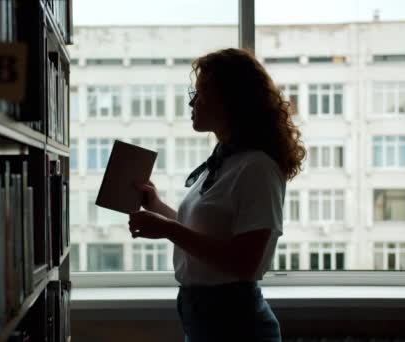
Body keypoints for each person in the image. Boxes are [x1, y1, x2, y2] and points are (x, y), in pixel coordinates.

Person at [128, 48, 306, 342]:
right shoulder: (226, 161)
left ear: (229, 101)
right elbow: (209, 234)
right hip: (206, 320)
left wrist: (168, 230)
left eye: (200, 93)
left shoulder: (257, 168)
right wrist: (157, 207)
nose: (192, 101)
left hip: (236, 325)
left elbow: (243, 263)